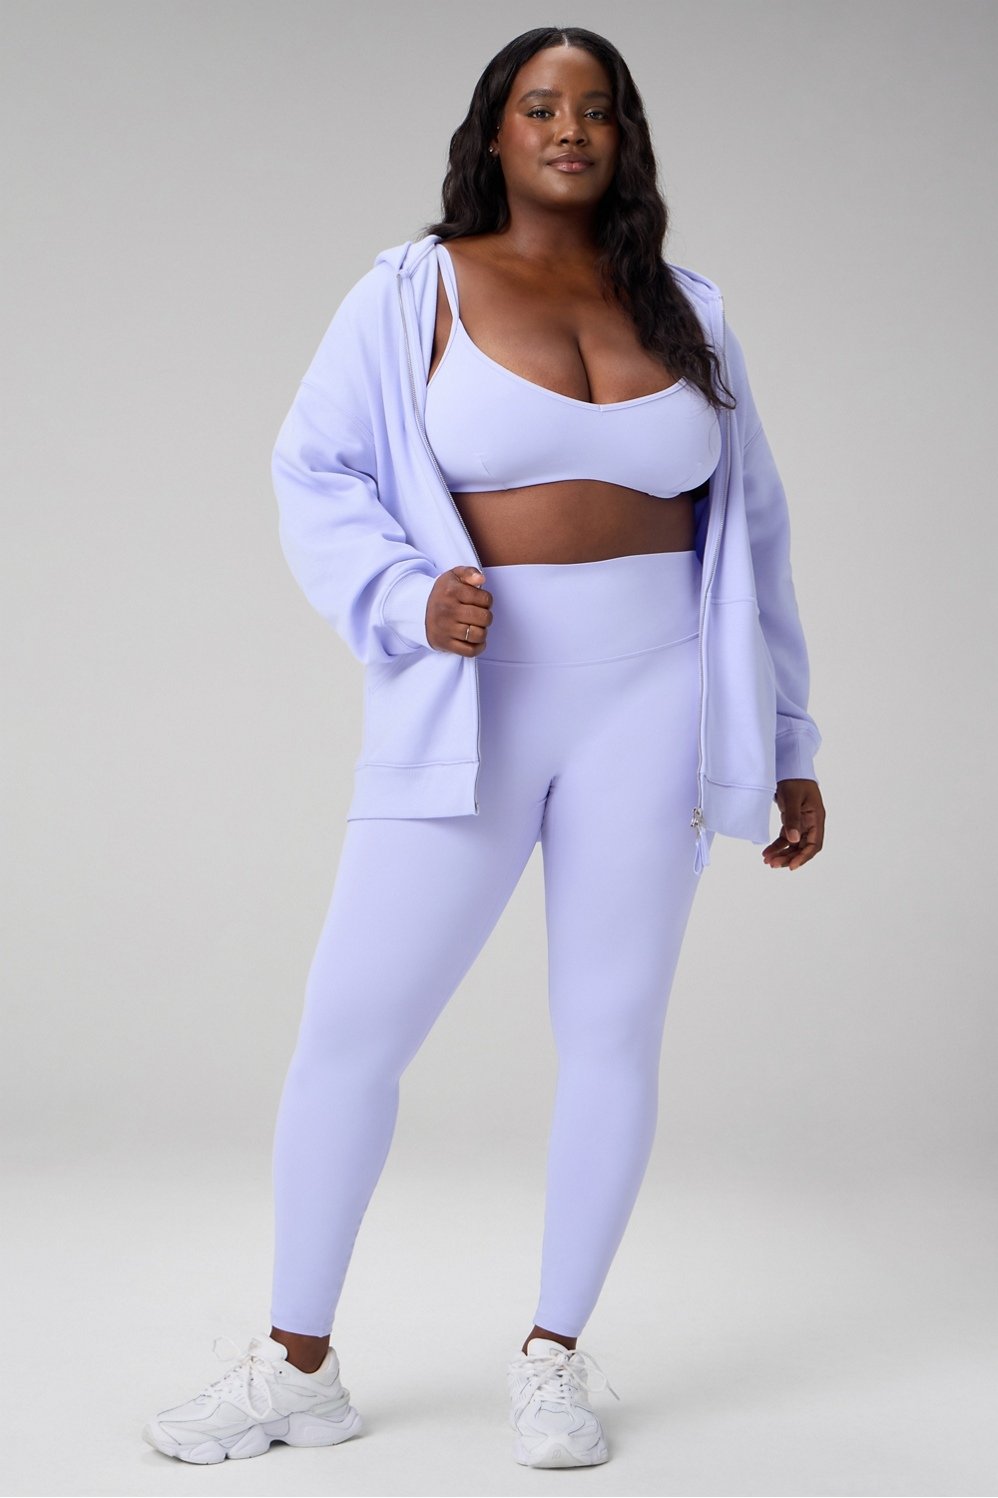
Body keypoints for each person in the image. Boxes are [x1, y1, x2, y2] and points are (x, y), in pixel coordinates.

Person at [143, 23, 825, 1472]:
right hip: (473, 696)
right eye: (540, 105)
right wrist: (403, 598)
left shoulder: (690, 310)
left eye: (596, 108)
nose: (569, 128)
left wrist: (788, 738)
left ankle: (553, 1358)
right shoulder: (411, 292)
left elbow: (753, 533)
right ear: (496, 132)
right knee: (354, 1027)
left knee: (612, 1032)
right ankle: (296, 1365)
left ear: (624, 136)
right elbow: (313, 469)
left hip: (657, 701)